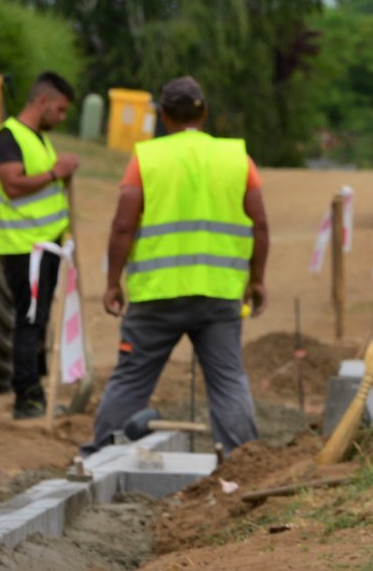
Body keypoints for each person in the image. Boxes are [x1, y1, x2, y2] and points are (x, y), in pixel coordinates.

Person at [87, 77, 267, 459]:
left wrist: (112, 283)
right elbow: (260, 225)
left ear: (163, 116)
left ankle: (100, 456)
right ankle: (244, 461)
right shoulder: (238, 158)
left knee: (131, 380)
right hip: (219, 295)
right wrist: (257, 281)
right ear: (204, 112)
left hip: (157, 296)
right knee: (229, 382)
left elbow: (123, 225)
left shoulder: (146, 159)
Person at [0, 72, 79, 420]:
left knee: (38, 321)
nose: (62, 117)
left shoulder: (37, 139)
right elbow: (12, 184)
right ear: (42, 102)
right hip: (23, 245)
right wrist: (56, 172)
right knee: (28, 320)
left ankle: (39, 390)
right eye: (60, 109)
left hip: (43, 245)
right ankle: (27, 396)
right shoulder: (8, 137)